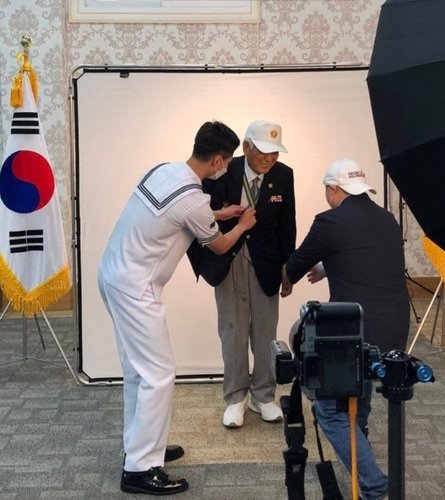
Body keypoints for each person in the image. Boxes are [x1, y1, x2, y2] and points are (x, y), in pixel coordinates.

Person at [97, 121, 256, 496]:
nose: (226, 167)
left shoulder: (164, 171)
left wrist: (220, 214)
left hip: (113, 274)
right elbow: (219, 246)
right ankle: (139, 470)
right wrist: (243, 224)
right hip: (136, 289)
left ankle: (142, 447)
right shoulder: (194, 199)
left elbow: (176, 215)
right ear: (217, 160)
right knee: (158, 373)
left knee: (138, 372)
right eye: (227, 161)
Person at [283, 158, 410, 500]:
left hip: (355, 336)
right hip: (394, 331)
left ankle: (373, 485)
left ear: (333, 189)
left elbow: (294, 266)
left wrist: (284, 278)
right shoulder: (386, 219)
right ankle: (360, 442)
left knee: (330, 412)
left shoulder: (329, 222)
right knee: (359, 396)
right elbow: (366, 254)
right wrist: (329, 265)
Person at [188, 120, 296, 428]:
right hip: (229, 258)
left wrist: (288, 268)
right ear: (246, 147)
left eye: (275, 153)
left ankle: (264, 395)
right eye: (263, 152)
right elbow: (201, 215)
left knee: (265, 330)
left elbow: (287, 224)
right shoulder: (222, 169)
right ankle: (236, 398)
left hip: (267, 263)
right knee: (232, 329)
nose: (269, 159)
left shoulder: (283, 174)